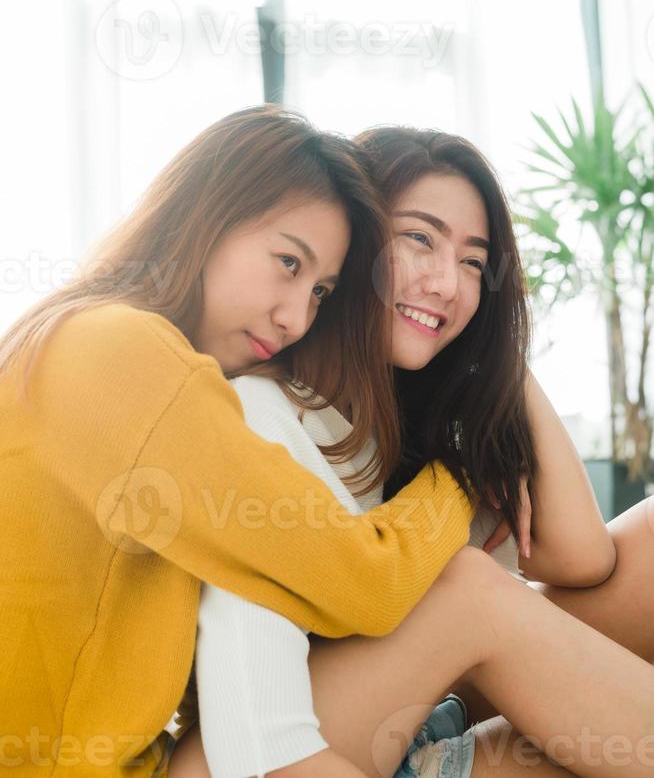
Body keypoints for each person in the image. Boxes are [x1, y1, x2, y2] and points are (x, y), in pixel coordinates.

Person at [0, 108, 480, 777]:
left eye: (320, 292)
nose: (295, 318)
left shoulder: (72, 337)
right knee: (476, 601)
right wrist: (463, 477)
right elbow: (370, 580)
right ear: (207, 217)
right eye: (287, 262)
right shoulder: (121, 354)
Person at [168, 126, 654, 778]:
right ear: (352, 243)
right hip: (261, 759)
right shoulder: (262, 415)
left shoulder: (395, 428)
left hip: (402, 724)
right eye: (419, 239)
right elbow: (257, 740)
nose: (447, 284)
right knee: (468, 590)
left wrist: (499, 352)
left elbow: (583, 557)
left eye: (474, 263)